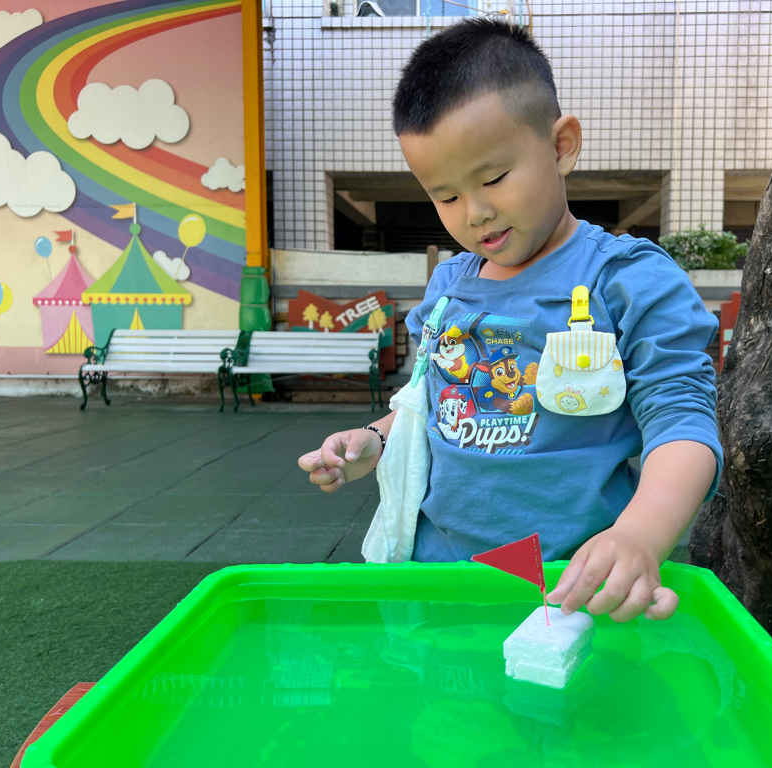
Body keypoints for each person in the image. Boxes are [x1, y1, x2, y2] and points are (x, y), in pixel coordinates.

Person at [298, 18, 721, 624]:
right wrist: (378, 439)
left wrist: (639, 536)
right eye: (445, 195)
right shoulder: (449, 285)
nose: (475, 212)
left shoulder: (625, 279)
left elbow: (682, 422)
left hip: (571, 589)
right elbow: (430, 399)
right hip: (438, 579)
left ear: (561, 145)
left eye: (494, 178)